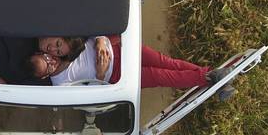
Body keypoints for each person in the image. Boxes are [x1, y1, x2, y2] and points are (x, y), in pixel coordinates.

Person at [28, 35, 237, 97]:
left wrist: (100, 40)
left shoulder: (66, 44)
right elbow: (93, 97)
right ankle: (210, 78)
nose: (52, 59)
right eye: (47, 67)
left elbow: (95, 30)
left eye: (47, 55)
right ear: (44, 77)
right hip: (116, 74)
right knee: (162, 76)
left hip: (120, 49)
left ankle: (212, 76)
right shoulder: (60, 85)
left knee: (167, 63)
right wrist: (100, 75)